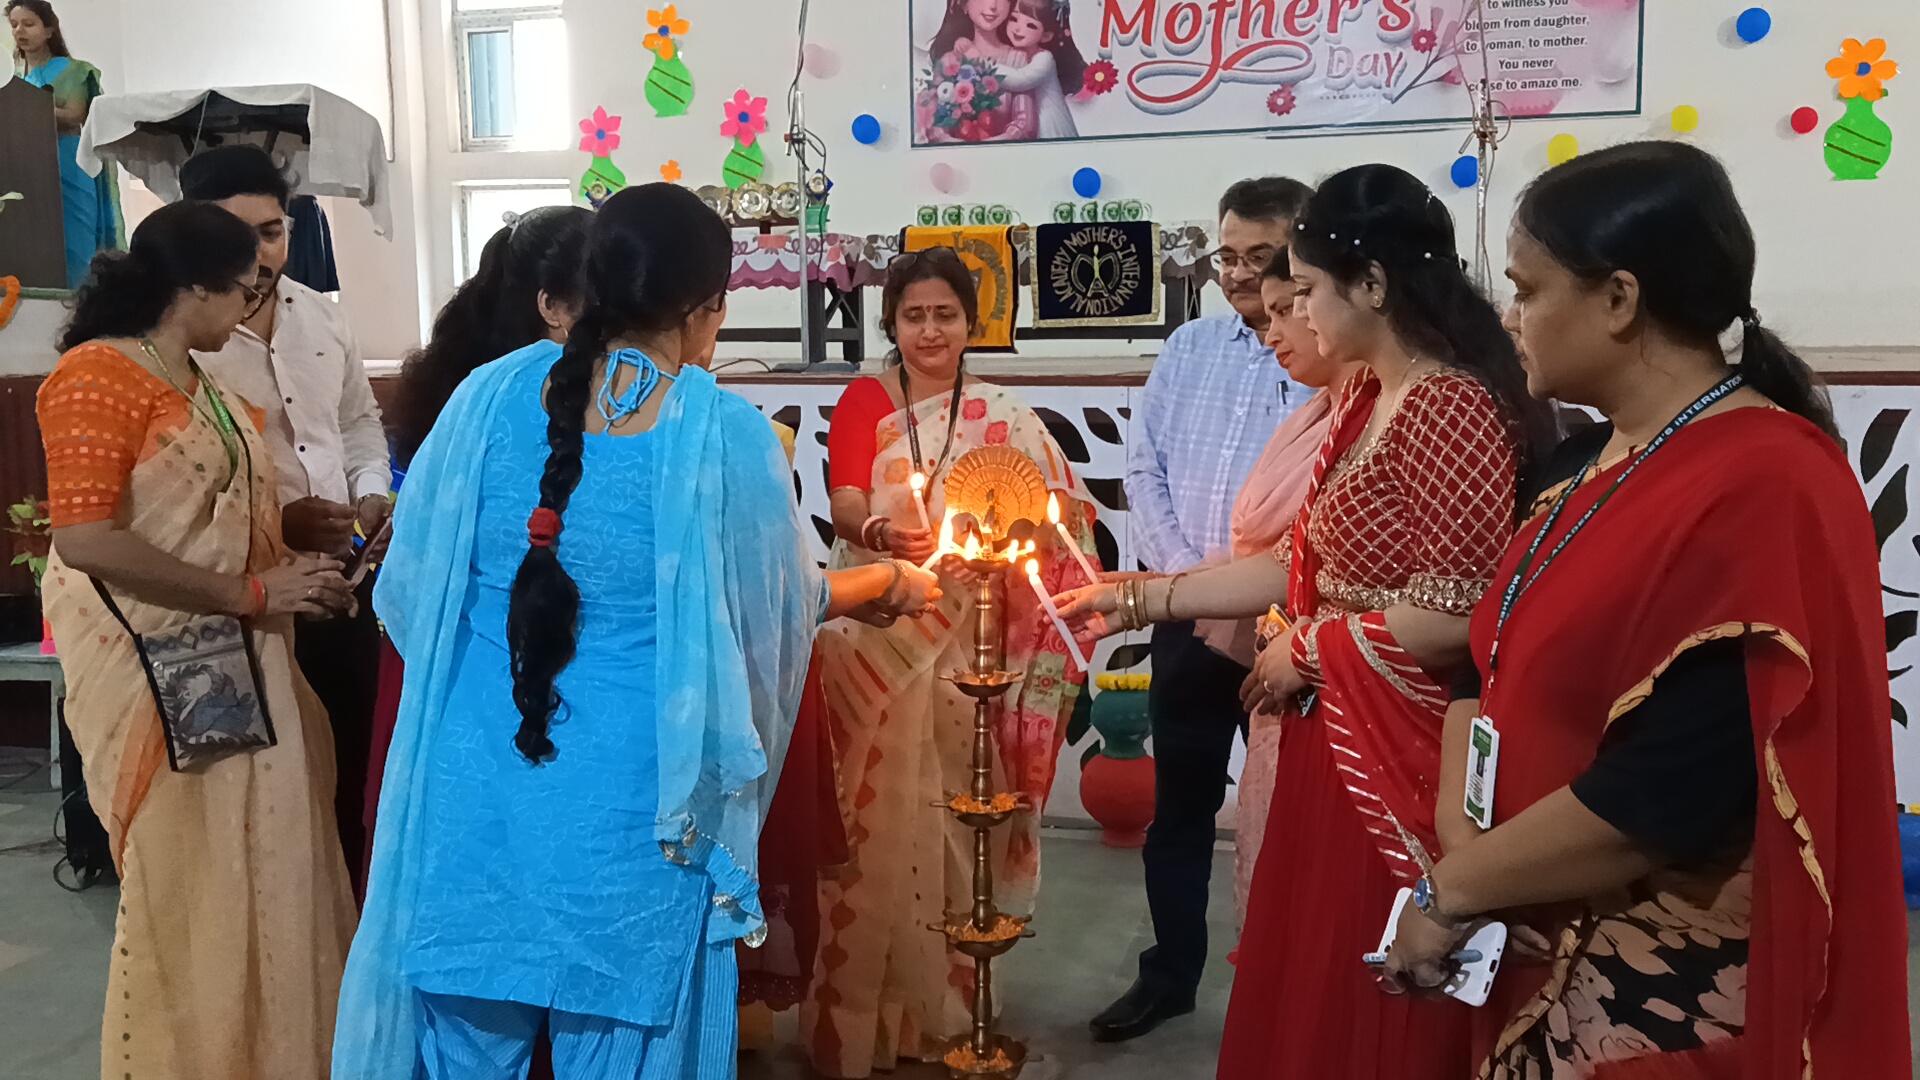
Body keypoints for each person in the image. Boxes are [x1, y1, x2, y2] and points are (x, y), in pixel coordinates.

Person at [333, 183, 940, 1080]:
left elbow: (411, 588)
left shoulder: (483, 398)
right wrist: (887, 580)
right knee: (622, 1048)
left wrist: (511, 673)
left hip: (478, 787)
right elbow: (767, 610)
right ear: (707, 312)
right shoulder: (720, 429)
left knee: (463, 1044)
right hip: (636, 807)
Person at [1384, 141, 1912, 1079]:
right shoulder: (1576, 463)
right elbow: (1484, 664)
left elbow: (1677, 789)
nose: (1512, 319)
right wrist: (1470, 845)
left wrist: (1453, 887)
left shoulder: (1765, 479)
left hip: (1654, 957)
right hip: (1524, 902)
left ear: (1620, 299)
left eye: (1529, 290)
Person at [1062, 164, 1555, 1077]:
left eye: (1309, 290)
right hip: (1334, 726)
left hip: (1398, 742)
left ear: (1372, 286)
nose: (1295, 313)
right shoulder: (1367, 398)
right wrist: (1140, 597)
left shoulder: (1447, 404)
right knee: (1314, 966)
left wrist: (1313, 645)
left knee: (1376, 987)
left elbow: (1463, 612)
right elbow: (1300, 566)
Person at [37, 201, 357, 1079]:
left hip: (241, 658)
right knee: (192, 890)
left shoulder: (200, 381)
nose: (252, 312)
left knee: (271, 872)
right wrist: (250, 591)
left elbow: (208, 511)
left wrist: (294, 528)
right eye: (246, 294)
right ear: (194, 288)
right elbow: (88, 538)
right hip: (159, 669)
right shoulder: (96, 376)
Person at [803, 245, 1100, 1078]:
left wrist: (1012, 543)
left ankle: (948, 1007)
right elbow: (848, 499)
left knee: (960, 809)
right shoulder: (868, 396)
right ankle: (871, 1017)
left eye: (946, 314)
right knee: (879, 820)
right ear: (891, 323)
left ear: (973, 323)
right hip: (885, 624)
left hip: (980, 640)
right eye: (913, 316)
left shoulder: (1007, 413)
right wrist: (880, 538)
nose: (930, 330)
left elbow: (1058, 517)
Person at [1089, 176, 1307, 1043]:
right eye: (1229, 256)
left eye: (1263, 258)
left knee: (1287, 821)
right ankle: (1171, 974)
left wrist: (1247, 602)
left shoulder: (1330, 356)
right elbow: (1143, 474)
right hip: (1189, 623)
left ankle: (1284, 981)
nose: (1242, 276)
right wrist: (1186, 588)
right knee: (1177, 814)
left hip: (1291, 633)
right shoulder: (1190, 347)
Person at [353, 204, 593, 902]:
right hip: (490, 633)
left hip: (437, 630)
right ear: (553, 306)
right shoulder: (511, 395)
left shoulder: (460, 378)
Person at [182, 144, 392, 884]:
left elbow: (359, 423)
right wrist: (280, 523)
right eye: (239, 234)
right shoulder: (183, 339)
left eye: (272, 231)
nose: (260, 252)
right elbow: (181, 486)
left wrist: (371, 489)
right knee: (265, 784)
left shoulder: (324, 319)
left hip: (344, 581)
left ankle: (345, 928)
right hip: (242, 598)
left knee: (354, 759)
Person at [1211, 254, 1365, 935]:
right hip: (1293, 665)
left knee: (1333, 919)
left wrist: (1305, 648)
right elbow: (1288, 556)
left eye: (1296, 301)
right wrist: (1146, 595)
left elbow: (1445, 601)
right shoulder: (1330, 414)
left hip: (1352, 695)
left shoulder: (1429, 407)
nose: (1282, 326)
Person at [9, 0, 121, 287]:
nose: (20, 31)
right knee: (33, 242)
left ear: (49, 29)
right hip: (28, 168)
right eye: (14, 25)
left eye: (29, 24)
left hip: (68, 160)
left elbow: (75, 114)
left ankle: (81, 305)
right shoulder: (15, 79)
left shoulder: (75, 70)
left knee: (76, 241)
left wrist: (25, 107)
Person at [996, 0, 1087, 139]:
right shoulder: (1013, 54)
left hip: (1049, 127)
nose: (1018, 29)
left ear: (1046, 36)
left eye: (1030, 25)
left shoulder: (1045, 58)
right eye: (1014, 19)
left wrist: (988, 68)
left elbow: (1021, 79)